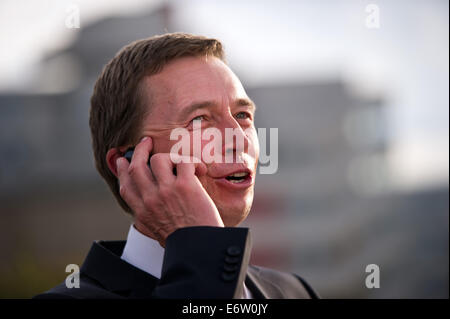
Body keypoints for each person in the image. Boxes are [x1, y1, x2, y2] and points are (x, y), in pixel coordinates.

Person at [34, 33, 319, 299]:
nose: (237, 138)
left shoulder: (294, 291)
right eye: (199, 120)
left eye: (242, 115)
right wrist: (203, 246)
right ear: (131, 163)